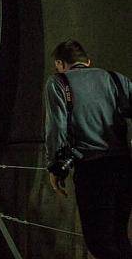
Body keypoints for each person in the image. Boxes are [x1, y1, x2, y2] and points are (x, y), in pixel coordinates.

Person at [44, 40, 131, 259]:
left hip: (92, 170)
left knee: (98, 242)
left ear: (60, 63)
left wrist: (55, 167)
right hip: (123, 166)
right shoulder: (116, 79)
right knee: (119, 236)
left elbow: (57, 127)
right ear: (88, 61)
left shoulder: (58, 83)